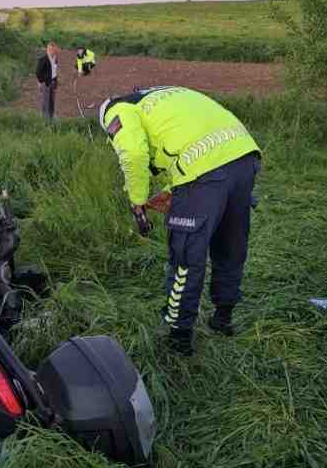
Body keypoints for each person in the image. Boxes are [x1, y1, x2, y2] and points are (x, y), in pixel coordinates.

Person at [97, 86, 261, 356]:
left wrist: (137, 202)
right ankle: (223, 318)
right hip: (244, 156)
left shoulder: (117, 110)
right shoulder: (164, 96)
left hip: (206, 170)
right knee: (230, 246)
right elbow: (187, 137)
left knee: (186, 257)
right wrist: (176, 191)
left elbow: (134, 155)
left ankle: (179, 337)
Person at [34, 42, 60, 122]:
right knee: (46, 101)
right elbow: (38, 72)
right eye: (50, 49)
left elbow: (55, 71)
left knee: (52, 100)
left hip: (53, 82)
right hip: (46, 83)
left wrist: (55, 82)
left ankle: (51, 116)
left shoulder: (55, 59)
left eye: (53, 49)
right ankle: (45, 119)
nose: (52, 51)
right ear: (47, 50)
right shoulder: (43, 59)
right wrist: (42, 82)